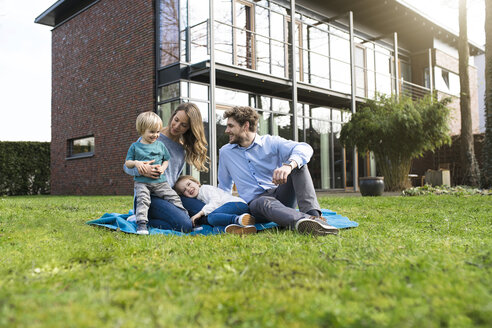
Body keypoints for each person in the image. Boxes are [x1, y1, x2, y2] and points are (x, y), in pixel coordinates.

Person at [217, 106, 339, 236]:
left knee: (298, 164)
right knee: (262, 201)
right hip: (256, 205)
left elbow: (305, 148)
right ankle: (305, 221)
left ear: (245, 126)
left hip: (281, 196)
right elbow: (224, 187)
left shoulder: (271, 142)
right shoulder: (225, 152)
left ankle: (314, 217)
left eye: (231, 126)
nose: (226, 130)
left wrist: (288, 166)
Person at [124, 103, 209, 233]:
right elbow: (127, 167)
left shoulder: (181, 150)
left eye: (183, 125)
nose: (176, 126)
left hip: (167, 194)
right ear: (173, 115)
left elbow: (172, 179)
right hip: (148, 196)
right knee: (185, 225)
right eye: (176, 120)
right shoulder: (151, 136)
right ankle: (140, 218)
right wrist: (141, 169)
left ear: (189, 128)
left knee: (203, 211)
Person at [125, 112, 186, 234]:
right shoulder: (137, 145)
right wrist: (138, 165)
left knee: (175, 199)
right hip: (143, 183)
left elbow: (166, 161)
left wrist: (163, 168)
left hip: (160, 184)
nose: (155, 135)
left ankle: (184, 215)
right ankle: (141, 223)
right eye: (152, 132)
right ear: (142, 130)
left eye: (157, 132)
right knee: (143, 200)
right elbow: (127, 164)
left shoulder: (164, 146)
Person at [174, 175, 257, 235]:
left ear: (197, 182)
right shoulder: (198, 198)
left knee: (211, 217)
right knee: (215, 227)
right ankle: (239, 229)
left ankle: (238, 219)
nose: (188, 189)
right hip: (231, 209)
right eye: (184, 190)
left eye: (189, 184)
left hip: (237, 205)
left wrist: (200, 213)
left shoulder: (205, 189)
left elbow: (216, 201)